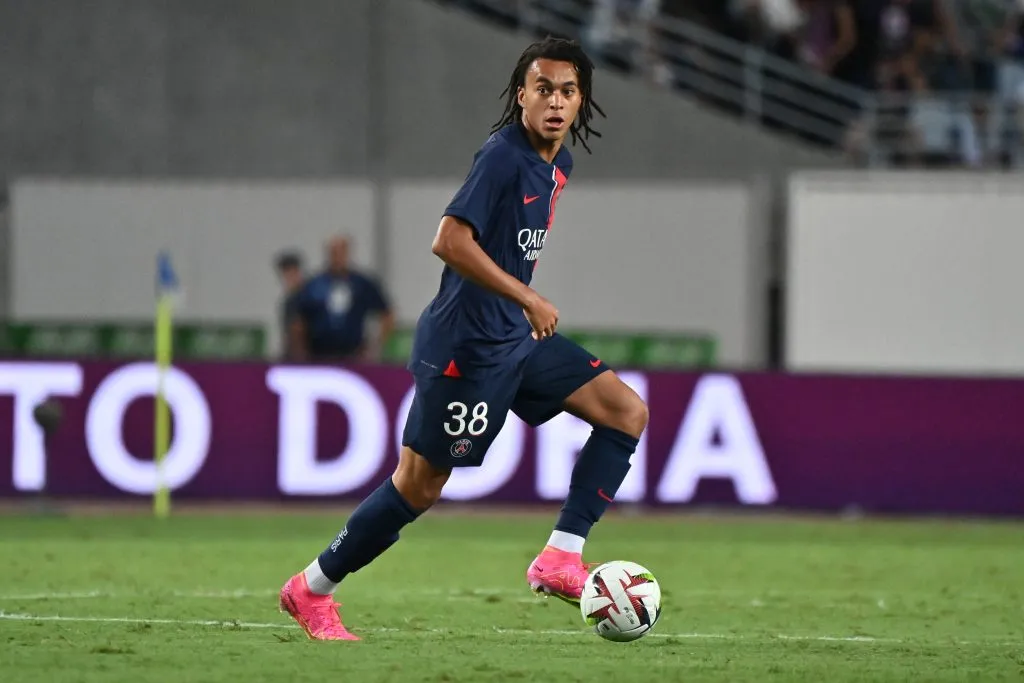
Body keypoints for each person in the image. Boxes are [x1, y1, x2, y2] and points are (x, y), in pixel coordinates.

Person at [278, 36, 650, 641]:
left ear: (582, 100)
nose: (555, 102)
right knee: (418, 486)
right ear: (521, 95)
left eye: (568, 91)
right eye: (544, 90)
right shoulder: (503, 155)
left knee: (624, 411)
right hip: (466, 349)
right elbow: (449, 240)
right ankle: (311, 589)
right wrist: (528, 296)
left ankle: (560, 556)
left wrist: (519, 305)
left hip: (514, 340)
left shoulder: (560, 164)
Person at [288, 235, 395, 363]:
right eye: (334, 252)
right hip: (318, 354)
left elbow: (387, 314)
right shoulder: (314, 285)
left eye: (341, 252)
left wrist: (375, 347)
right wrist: (300, 351)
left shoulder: (361, 284)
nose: (337, 257)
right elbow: (299, 320)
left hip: (353, 354)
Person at [273, 251, 306, 362]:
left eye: (291, 272)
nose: (288, 277)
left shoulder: (307, 297)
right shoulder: (289, 300)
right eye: (285, 273)